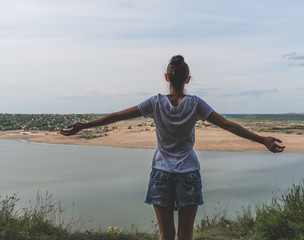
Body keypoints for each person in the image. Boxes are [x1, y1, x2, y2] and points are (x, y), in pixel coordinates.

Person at [60, 55, 285, 240]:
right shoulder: (196, 103)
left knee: (165, 235)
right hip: (188, 172)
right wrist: (262, 139)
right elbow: (227, 124)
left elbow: (117, 116)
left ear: (167, 77)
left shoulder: (155, 103)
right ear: (187, 79)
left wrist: (85, 125)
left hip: (161, 173)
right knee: (186, 235)